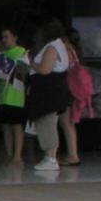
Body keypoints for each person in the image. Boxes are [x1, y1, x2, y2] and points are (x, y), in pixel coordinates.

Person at [25, 19, 71, 173]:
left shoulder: (52, 47)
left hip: (48, 92)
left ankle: (50, 157)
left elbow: (45, 69)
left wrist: (30, 63)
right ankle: (50, 156)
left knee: (47, 122)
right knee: (49, 122)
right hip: (53, 90)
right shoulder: (61, 46)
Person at [0, 26, 29, 164]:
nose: (4, 40)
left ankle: (17, 155)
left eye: (7, 37)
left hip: (17, 96)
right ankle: (9, 154)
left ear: (15, 37)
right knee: (6, 126)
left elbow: (24, 73)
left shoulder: (22, 52)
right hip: (3, 95)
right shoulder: (2, 55)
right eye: (3, 37)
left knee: (17, 126)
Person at [60, 30, 92, 165]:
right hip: (74, 89)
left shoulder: (66, 51)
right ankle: (73, 154)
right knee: (69, 123)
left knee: (66, 123)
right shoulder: (75, 51)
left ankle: (72, 155)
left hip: (68, 89)